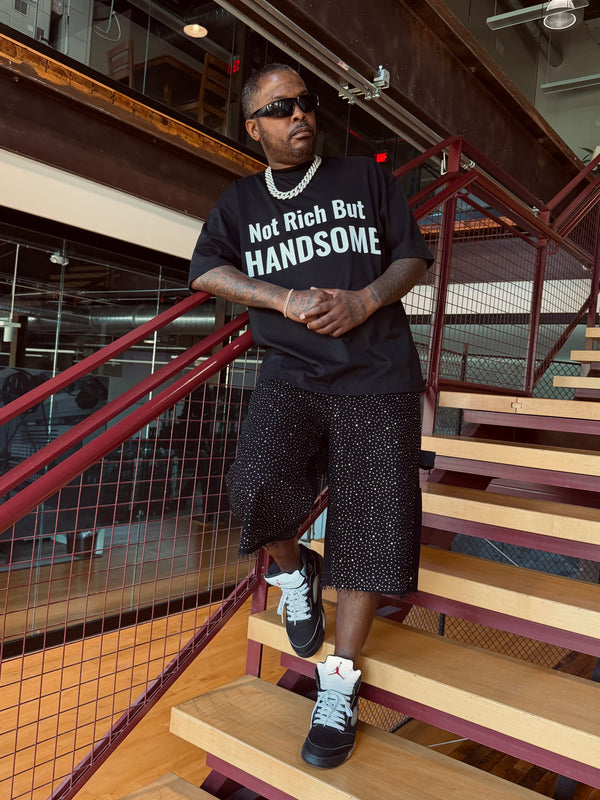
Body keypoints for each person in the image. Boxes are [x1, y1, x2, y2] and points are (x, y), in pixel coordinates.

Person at [189, 62, 433, 769]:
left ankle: (340, 678)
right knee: (254, 487)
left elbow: (412, 256)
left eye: (306, 103)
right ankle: (297, 576)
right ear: (253, 126)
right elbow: (206, 269)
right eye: (281, 108)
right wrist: (282, 297)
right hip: (292, 371)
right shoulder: (240, 200)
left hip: (378, 374)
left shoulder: (366, 178)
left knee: (370, 525)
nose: (299, 115)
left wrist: (364, 300)